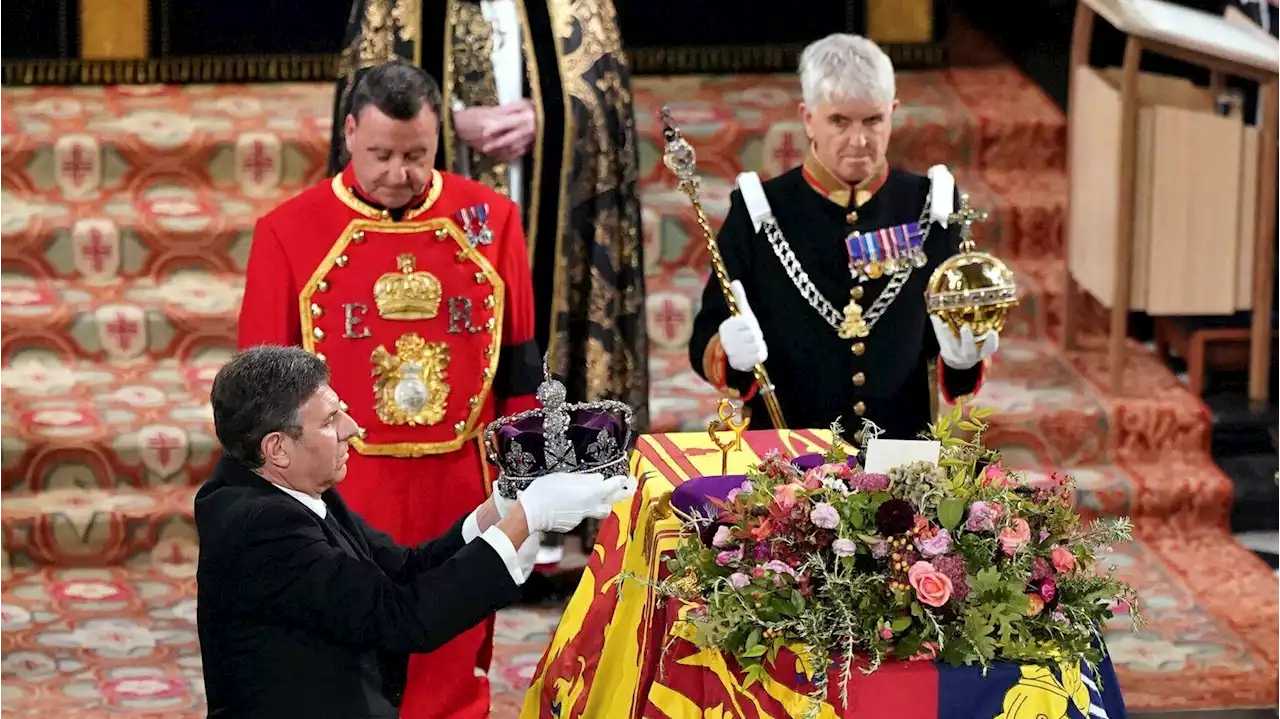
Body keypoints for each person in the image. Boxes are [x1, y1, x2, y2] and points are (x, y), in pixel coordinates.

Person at [237, 61, 541, 718]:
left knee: (452, 663)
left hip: (459, 478)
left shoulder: (493, 220)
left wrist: (526, 481)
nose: (399, 173)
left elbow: (519, 362)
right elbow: (259, 389)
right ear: (349, 132)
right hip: (342, 486)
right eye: (381, 154)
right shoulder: (288, 231)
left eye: (417, 155)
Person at [196, 345, 635, 718]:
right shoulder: (264, 529)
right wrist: (529, 517)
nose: (351, 428)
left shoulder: (287, 488)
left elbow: (402, 571)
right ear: (277, 448)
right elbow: (404, 619)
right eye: (330, 421)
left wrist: (501, 508)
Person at [328, 0, 650, 437]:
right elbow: (369, 103)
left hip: (540, 203)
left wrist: (550, 116)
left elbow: (607, 102)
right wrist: (444, 124)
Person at [688, 33, 1000, 443]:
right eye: (839, 121)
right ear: (807, 117)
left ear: (893, 112)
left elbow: (951, 358)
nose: (859, 140)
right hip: (789, 454)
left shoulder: (932, 207)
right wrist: (730, 354)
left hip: (901, 452)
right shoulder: (759, 210)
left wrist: (962, 360)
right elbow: (704, 339)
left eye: (873, 120)